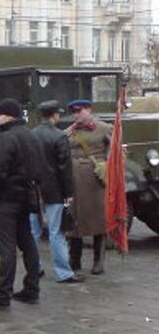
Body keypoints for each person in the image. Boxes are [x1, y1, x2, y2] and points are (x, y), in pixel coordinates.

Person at [0, 98, 44, 309]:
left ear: (7, 115)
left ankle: (3, 294)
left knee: (7, 247)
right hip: (26, 197)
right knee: (28, 242)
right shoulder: (30, 136)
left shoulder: (5, 138)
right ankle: (32, 288)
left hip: (6, 199)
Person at [30, 100, 83, 284]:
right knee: (56, 232)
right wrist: (68, 192)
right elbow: (64, 168)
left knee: (33, 232)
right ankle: (63, 272)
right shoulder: (59, 136)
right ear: (55, 115)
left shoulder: (31, 135)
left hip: (34, 190)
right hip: (54, 191)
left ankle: (34, 268)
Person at [65, 99, 112, 275]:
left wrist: (108, 169)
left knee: (98, 220)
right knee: (75, 219)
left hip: (95, 179)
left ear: (89, 110)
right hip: (74, 179)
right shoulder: (69, 131)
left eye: (79, 110)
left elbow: (116, 151)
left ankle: (99, 260)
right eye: (73, 112)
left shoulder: (103, 128)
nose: (76, 114)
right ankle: (74, 259)